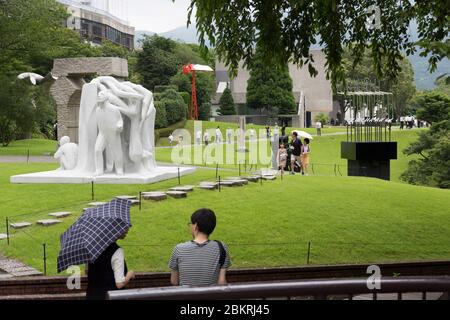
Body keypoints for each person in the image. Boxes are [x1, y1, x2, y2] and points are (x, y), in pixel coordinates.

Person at [169, 208, 231, 287]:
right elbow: (222, 282)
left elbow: (174, 281)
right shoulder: (221, 247)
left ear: (195, 226)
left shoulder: (179, 249)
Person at [86, 229, 135, 300]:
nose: (127, 230)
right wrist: (130, 274)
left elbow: (87, 271)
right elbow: (120, 284)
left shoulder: (92, 248)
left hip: (92, 295)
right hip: (110, 296)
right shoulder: (117, 251)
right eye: (123, 227)